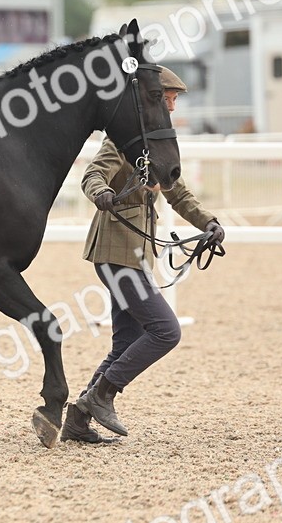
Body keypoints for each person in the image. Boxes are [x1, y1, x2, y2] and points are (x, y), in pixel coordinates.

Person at [62, 66, 225, 443]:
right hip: (115, 252)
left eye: (172, 101)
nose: (171, 105)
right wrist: (100, 192)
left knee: (124, 343)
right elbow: (92, 175)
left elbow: (178, 192)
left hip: (134, 255)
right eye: (167, 99)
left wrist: (209, 222)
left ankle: (79, 418)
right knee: (166, 331)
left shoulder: (155, 144)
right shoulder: (123, 141)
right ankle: (102, 396)